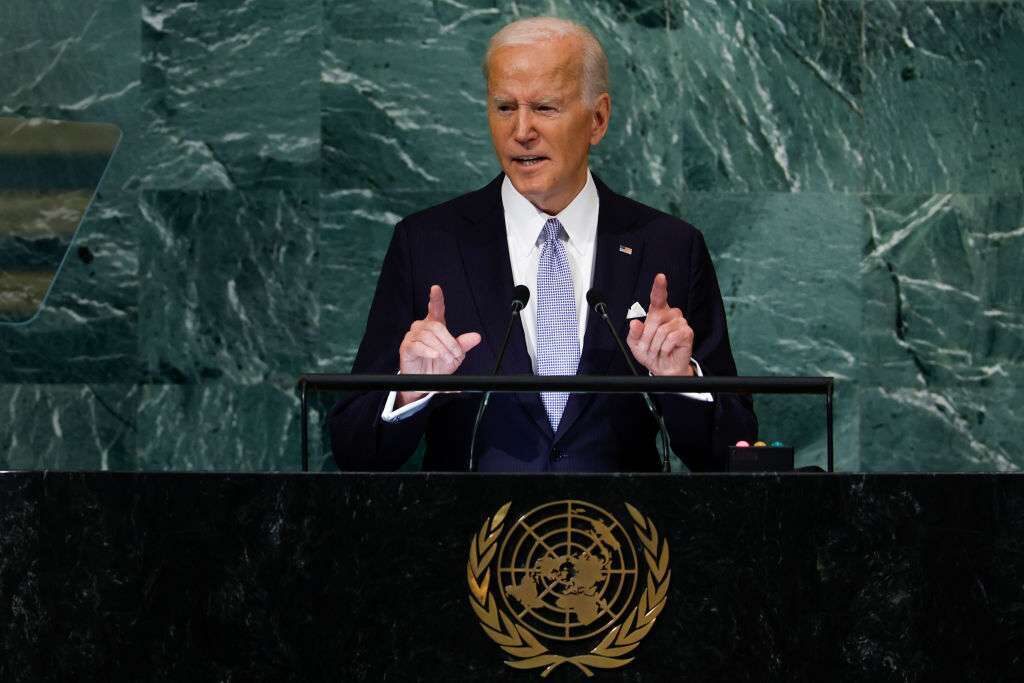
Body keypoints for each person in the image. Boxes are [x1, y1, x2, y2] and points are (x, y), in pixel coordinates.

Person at [329, 17, 756, 472]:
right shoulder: (428, 244)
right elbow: (355, 451)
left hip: (621, 537)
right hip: (474, 536)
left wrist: (680, 379)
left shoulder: (670, 247)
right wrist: (409, 388)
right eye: (505, 107)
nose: (522, 131)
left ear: (598, 119)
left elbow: (734, 452)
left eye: (546, 108)